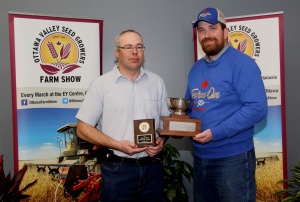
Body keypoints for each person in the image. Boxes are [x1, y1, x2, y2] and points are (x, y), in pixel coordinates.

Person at [76, 29, 170, 202]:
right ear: (117, 52)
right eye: (128, 47)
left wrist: (161, 141)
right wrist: (118, 145)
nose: (134, 52)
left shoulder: (157, 82)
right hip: (117, 169)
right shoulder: (101, 85)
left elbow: (166, 122)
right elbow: (82, 129)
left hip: (152, 168)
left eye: (139, 47)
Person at [185, 7, 268, 202]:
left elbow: (257, 107)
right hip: (201, 158)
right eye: (202, 30)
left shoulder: (242, 64)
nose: (207, 35)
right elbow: (190, 107)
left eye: (212, 28)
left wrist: (216, 132)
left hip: (233, 160)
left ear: (225, 32)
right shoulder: (195, 69)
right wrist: (175, 123)